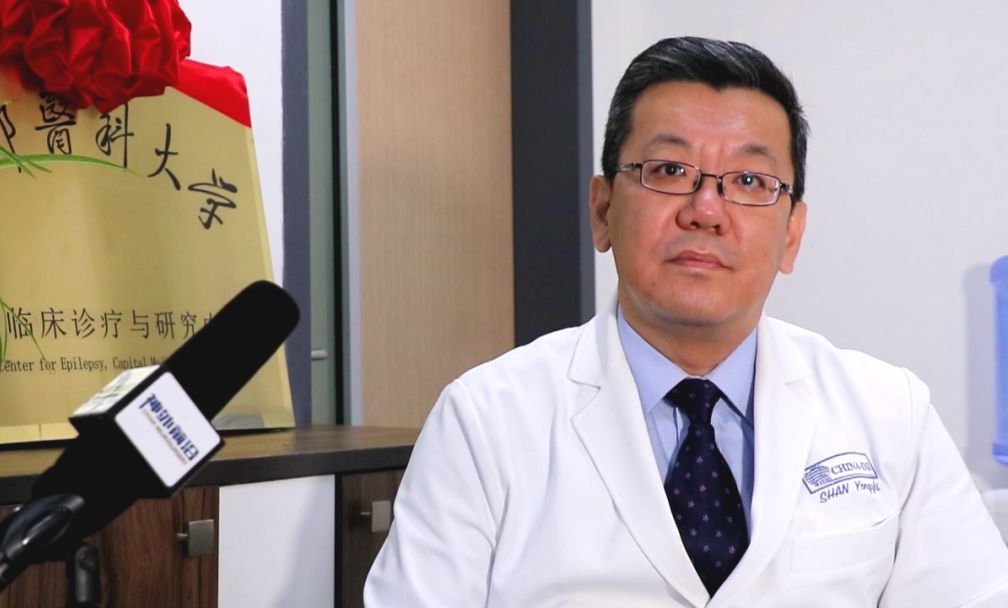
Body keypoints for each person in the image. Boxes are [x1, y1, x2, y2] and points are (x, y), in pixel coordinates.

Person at [363, 37, 1008, 606]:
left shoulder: (890, 414)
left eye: (750, 180)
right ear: (602, 210)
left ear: (791, 235)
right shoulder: (484, 422)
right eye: (669, 170)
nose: (706, 209)